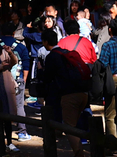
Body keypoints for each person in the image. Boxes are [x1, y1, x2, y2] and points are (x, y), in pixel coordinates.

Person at [41, 29, 89, 157]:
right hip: (83, 93)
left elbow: (47, 78)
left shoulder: (52, 56)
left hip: (69, 95)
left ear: (45, 41)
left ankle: (79, 155)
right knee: (73, 124)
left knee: (69, 127)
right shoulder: (67, 53)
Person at [99, 23, 117, 136]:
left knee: (111, 114)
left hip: (113, 80)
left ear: (110, 30)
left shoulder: (108, 45)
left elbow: (103, 64)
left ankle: (112, 144)